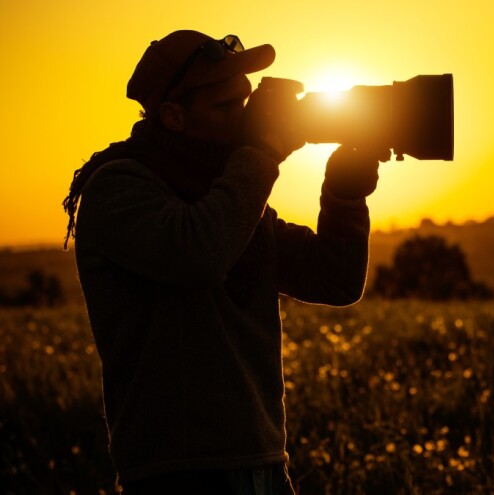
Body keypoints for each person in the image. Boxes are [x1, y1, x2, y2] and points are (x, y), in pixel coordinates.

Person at [62, 30, 386, 494]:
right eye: (224, 107)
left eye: (246, 101)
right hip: (177, 474)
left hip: (264, 466)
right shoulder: (118, 189)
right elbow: (200, 254)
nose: (245, 119)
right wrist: (263, 154)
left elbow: (334, 281)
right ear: (172, 115)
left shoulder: (226, 191)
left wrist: (345, 197)